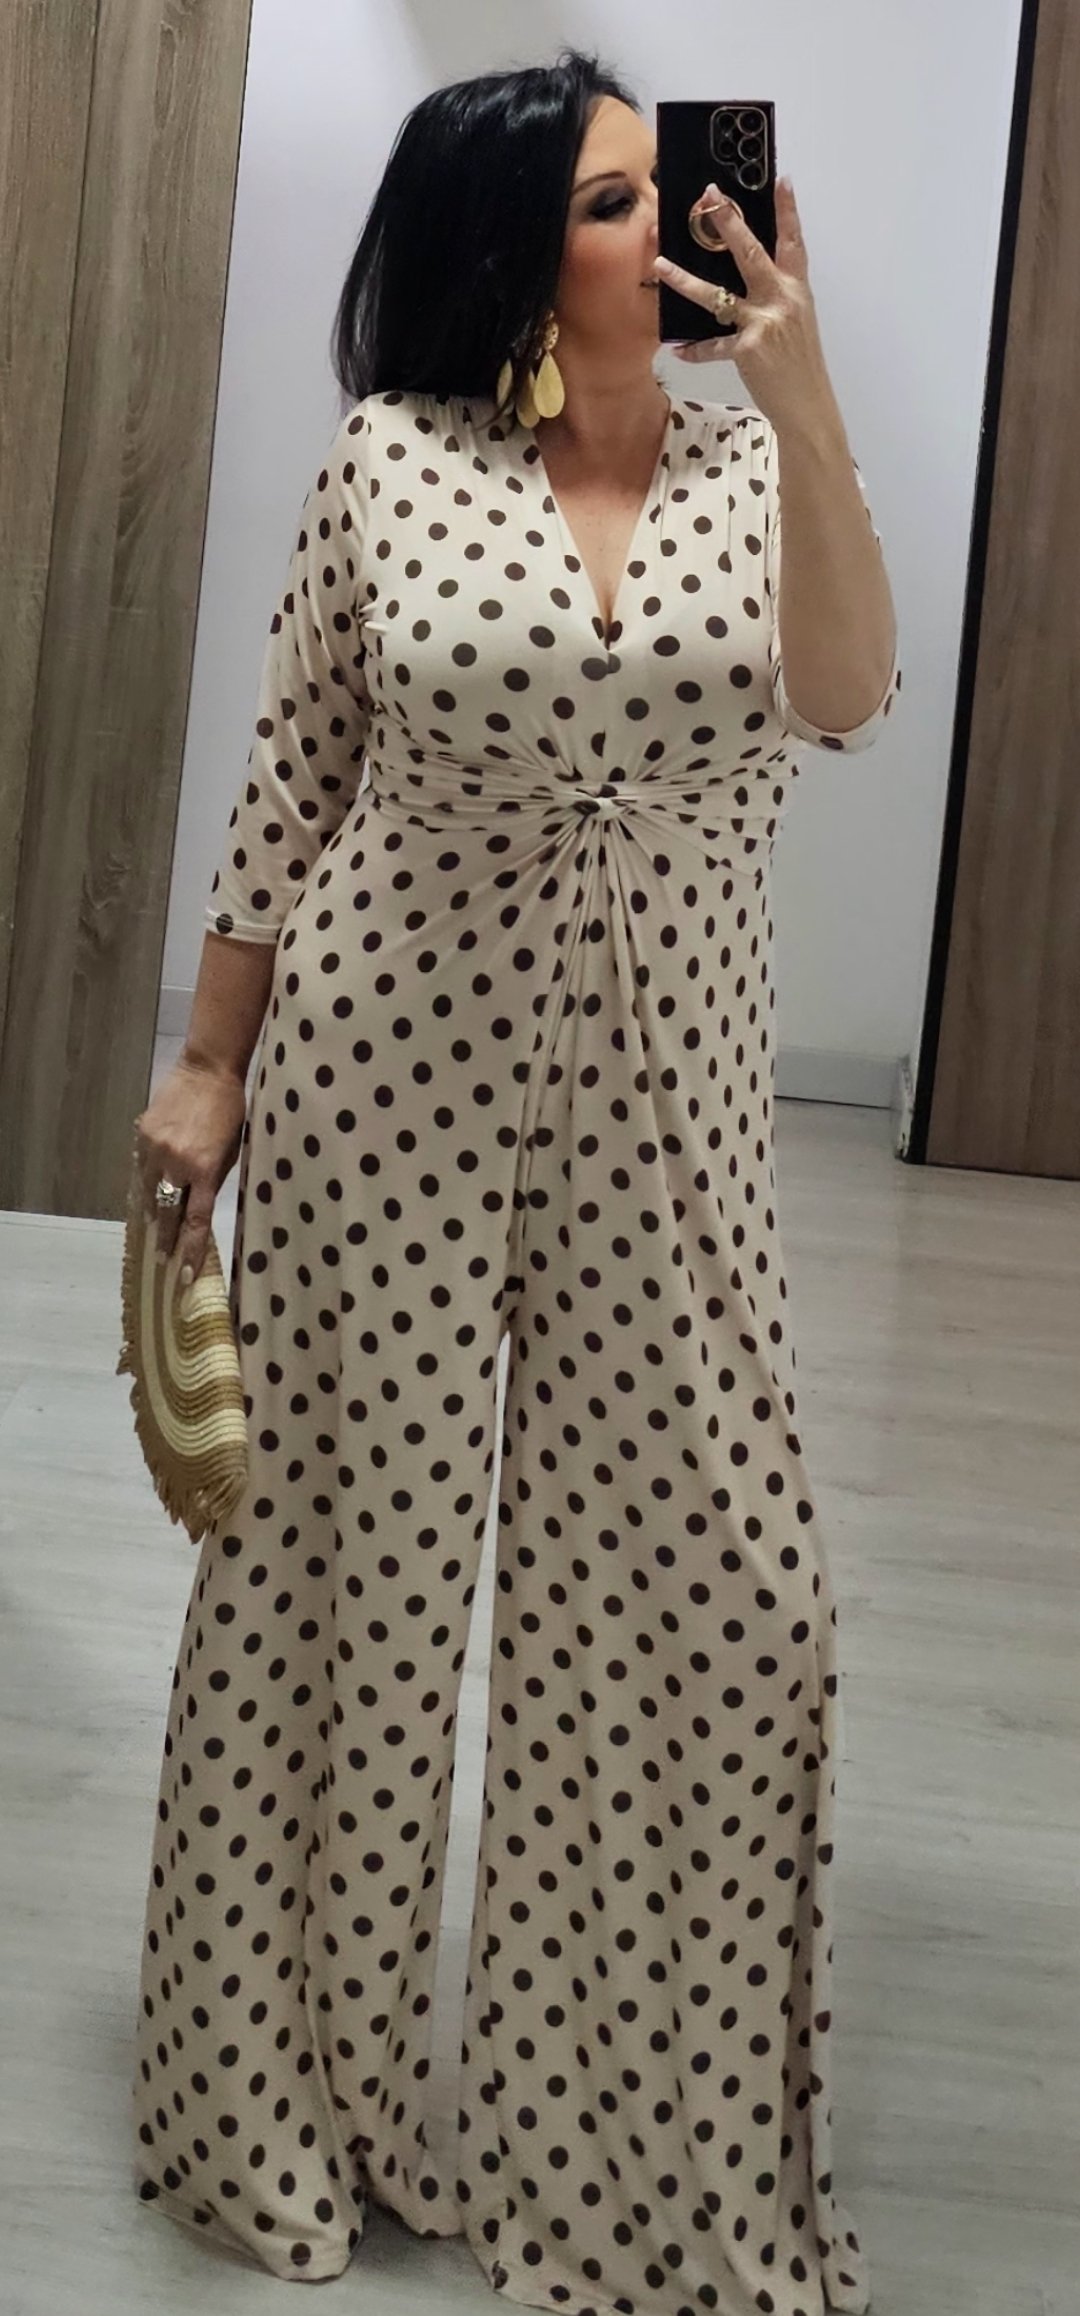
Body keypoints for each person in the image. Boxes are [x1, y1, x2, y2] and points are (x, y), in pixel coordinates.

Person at [131, 44, 898, 2316]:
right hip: (390, 1082)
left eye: (679, 189)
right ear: (510, 250)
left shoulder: (768, 466)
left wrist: (808, 390)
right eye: (614, 201)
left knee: (720, 1599)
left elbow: (846, 696)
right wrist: (207, 1066)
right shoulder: (392, 460)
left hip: (671, 1119)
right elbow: (292, 781)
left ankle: (638, 2158)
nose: (675, 229)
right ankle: (287, 2099)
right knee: (339, 1592)